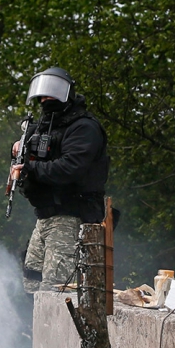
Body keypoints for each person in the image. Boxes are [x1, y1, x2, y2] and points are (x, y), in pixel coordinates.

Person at [11, 67, 110, 297]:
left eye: (51, 94)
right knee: (32, 282)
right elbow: (32, 153)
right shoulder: (47, 125)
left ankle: (59, 333)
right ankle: (36, 332)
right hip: (45, 216)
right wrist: (19, 149)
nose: (46, 100)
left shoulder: (84, 128)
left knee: (54, 291)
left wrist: (30, 167)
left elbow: (70, 168)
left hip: (71, 215)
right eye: (42, 96)